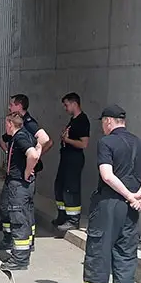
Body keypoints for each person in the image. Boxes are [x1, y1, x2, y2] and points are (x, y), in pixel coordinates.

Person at [68, 105, 141, 283]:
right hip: (131, 210)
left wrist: (129, 195)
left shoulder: (106, 142)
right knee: (126, 254)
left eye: (103, 122)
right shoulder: (140, 143)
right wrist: (140, 196)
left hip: (109, 205)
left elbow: (107, 176)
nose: (102, 126)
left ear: (108, 121)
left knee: (99, 253)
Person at [0, 94, 53, 249]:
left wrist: (31, 164)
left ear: (19, 106)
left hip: (20, 177)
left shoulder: (28, 124)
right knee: (17, 208)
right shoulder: (16, 128)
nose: (9, 107)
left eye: (12, 104)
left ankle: (20, 243)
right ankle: (15, 239)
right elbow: (2, 139)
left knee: (18, 209)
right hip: (16, 174)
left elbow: (45, 140)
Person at [0, 112, 40, 269]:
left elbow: (33, 155)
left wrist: (27, 171)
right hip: (18, 183)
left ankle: (19, 259)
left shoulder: (20, 138)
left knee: (19, 220)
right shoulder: (24, 135)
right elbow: (39, 145)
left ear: (10, 124)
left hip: (19, 184)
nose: (5, 126)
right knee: (21, 216)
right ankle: (19, 250)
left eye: (6, 123)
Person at [54, 92, 91, 232]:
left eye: (66, 105)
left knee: (71, 188)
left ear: (74, 103)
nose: (65, 108)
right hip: (66, 157)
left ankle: (73, 219)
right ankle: (62, 215)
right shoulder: (73, 120)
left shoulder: (82, 120)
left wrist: (67, 140)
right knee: (60, 186)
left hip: (74, 159)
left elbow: (84, 144)